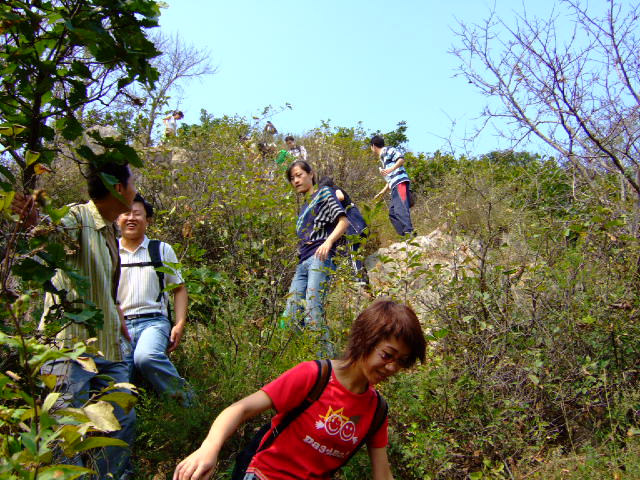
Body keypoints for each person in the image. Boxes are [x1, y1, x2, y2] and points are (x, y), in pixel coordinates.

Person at [173, 299, 427, 480]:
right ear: (365, 340)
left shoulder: (376, 410)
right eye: (387, 355)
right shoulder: (315, 376)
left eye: (402, 361)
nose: (392, 367)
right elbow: (240, 409)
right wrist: (209, 448)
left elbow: (382, 472)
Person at [27, 161, 138, 479]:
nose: (135, 189)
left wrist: (117, 315)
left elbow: (106, 287)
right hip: (69, 349)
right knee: (66, 429)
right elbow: (50, 234)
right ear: (119, 187)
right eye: (132, 182)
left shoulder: (109, 231)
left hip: (108, 348)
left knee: (122, 420)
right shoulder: (78, 218)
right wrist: (34, 222)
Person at [117, 193, 192, 405]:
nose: (131, 218)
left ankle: (189, 405)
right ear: (117, 218)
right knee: (119, 378)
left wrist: (179, 324)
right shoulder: (110, 250)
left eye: (137, 214)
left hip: (153, 322)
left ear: (147, 219)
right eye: (125, 213)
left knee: (146, 357)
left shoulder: (160, 250)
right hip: (118, 326)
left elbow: (179, 289)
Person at [284, 160, 349, 354]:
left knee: (312, 308)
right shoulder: (303, 209)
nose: (296, 181)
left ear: (311, 174)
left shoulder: (324, 193)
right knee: (291, 314)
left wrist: (328, 242)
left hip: (319, 258)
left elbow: (343, 221)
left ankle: (326, 362)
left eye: (299, 175)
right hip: (302, 263)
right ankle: (309, 356)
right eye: (292, 178)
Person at [317, 177, 369, 284]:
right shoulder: (336, 192)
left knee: (353, 251)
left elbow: (340, 196)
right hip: (358, 223)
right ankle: (362, 277)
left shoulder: (335, 189)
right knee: (355, 253)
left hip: (354, 224)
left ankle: (359, 279)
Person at [370, 135, 414, 237]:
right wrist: (382, 192)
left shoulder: (388, 150)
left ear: (373, 146)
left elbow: (401, 159)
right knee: (392, 213)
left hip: (400, 183)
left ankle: (409, 232)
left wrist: (391, 169)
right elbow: (390, 180)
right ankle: (404, 236)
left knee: (400, 208)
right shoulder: (383, 159)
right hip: (394, 185)